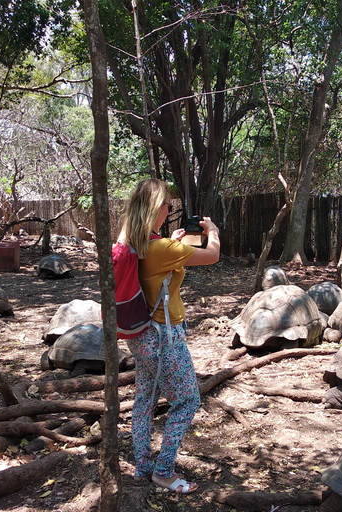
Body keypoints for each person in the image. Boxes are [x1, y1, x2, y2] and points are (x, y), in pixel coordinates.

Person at [119, 179, 220, 494]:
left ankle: (143, 467)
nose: (170, 209)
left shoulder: (138, 243)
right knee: (188, 400)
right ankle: (163, 471)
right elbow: (212, 255)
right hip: (164, 337)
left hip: (140, 336)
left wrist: (174, 241)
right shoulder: (161, 248)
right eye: (167, 205)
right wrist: (212, 231)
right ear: (155, 209)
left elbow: (159, 258)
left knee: (145, 400)